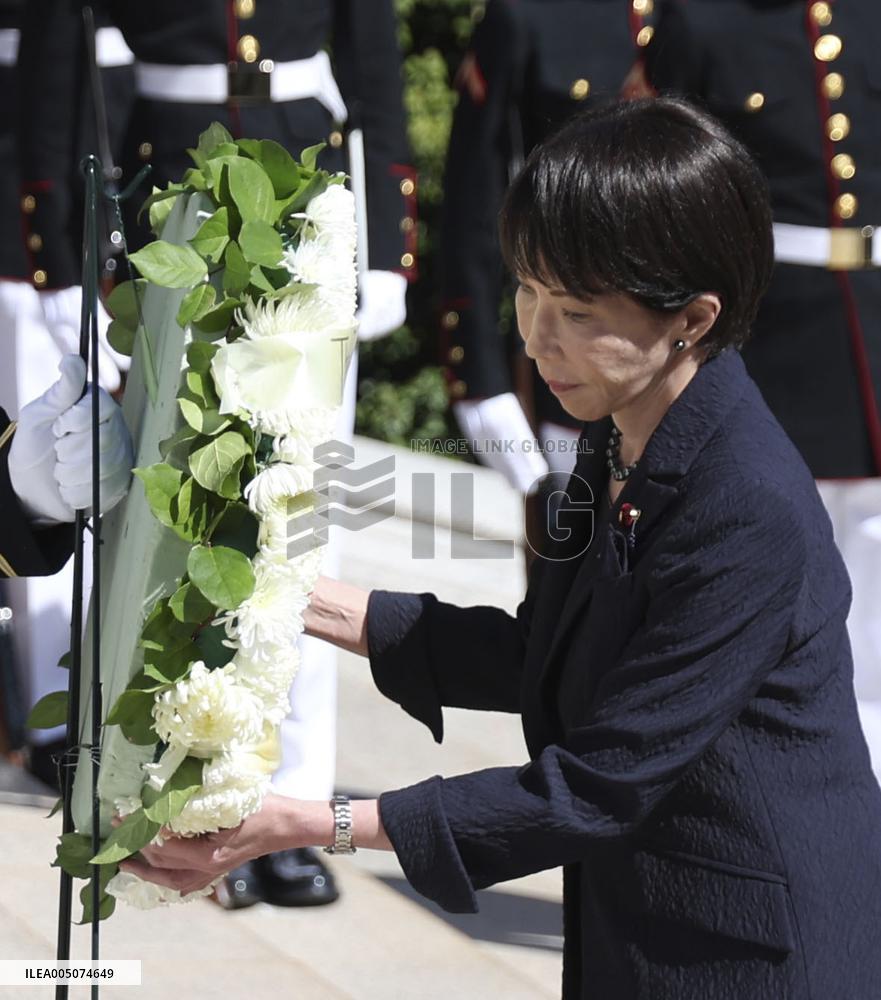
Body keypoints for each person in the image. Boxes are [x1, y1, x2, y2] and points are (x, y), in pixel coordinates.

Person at [119, 98, 881, 999]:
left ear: (693, 317)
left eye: (574, 309)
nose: (534, 337)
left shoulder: (743, 501)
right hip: (651, 917)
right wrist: (291, 598)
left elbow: (596, 784)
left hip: (757, 950)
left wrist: (307, 819)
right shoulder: (623, 425)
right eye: (525, 290)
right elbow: (546, 656)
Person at [18, 0, 415, 908]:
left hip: (310, 211)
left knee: (302, 516)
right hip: (170, 204)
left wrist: (386, 250)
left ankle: (291, 799)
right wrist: (62, 259)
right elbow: (57, 77)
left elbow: (372, 71)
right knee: (172, 521)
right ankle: (169, 796)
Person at [644, 0, 881, 776]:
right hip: (769, 332)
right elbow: (670, 194)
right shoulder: (702, 20)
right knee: (775, 584)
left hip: (873, 335)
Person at [441, 0, 656, 499]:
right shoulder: (528, 14)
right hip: (572, 379)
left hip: (710, 376)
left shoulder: (728, 21)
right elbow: (474, 206)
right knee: (574, 560)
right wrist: (479, 378)